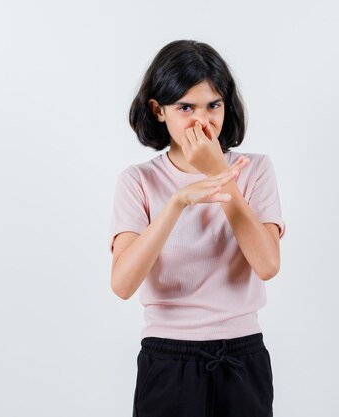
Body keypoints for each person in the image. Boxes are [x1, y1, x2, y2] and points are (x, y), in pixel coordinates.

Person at [109, 39, 286, 417]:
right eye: (185, 107)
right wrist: (177, 202)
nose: (202, 121)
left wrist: (219, 174)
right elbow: (122, 284)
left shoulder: (254, 171)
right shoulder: (138, 181)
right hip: (168, 358)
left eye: (214, 105)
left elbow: (268, 265)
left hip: (242, 356)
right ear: (159, 110)